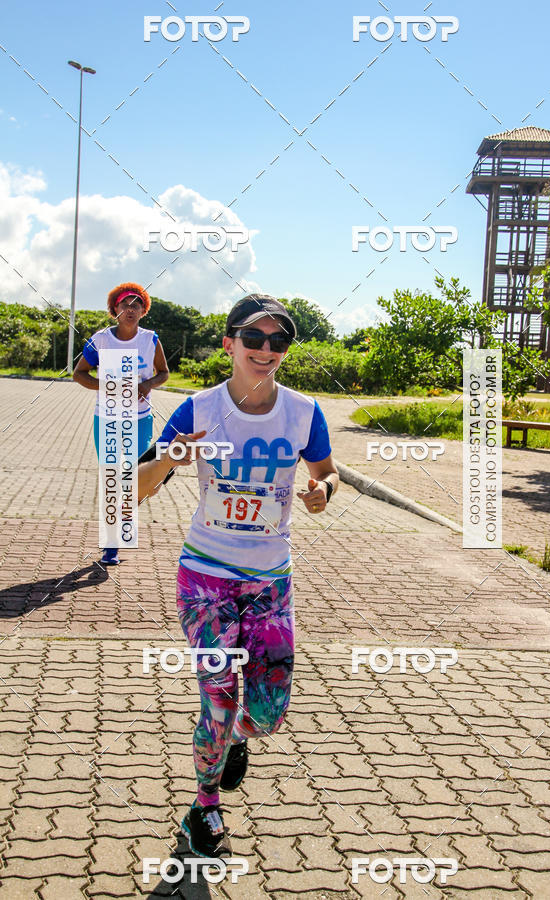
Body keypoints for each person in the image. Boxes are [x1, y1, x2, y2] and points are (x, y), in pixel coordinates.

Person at [137, 294, 338, 859]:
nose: (267, 350)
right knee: (218, 704)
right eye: (255, 339)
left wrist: (323, 491)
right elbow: (136, 487)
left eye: (278, 341)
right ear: (230, 344)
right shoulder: (198, 410)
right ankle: (204, 808)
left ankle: (234, 742)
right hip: (206, 577)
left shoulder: (304, 412)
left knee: (269, 712)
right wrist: (171, 459)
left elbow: (327, 471)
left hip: (271, 581)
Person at [73, 282, 169, 565]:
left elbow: (164, 372)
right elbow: (79, 374)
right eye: (124, 305)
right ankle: (111, 544)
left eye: (136, 305)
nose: (130, 309)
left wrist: (148, 384)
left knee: (132, 479)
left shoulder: (150, 339)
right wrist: (107, 384)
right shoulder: (101, 340)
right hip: (106, 420)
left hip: (139, 420)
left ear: (143, 310)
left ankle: (122, 525)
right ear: (114, 309)